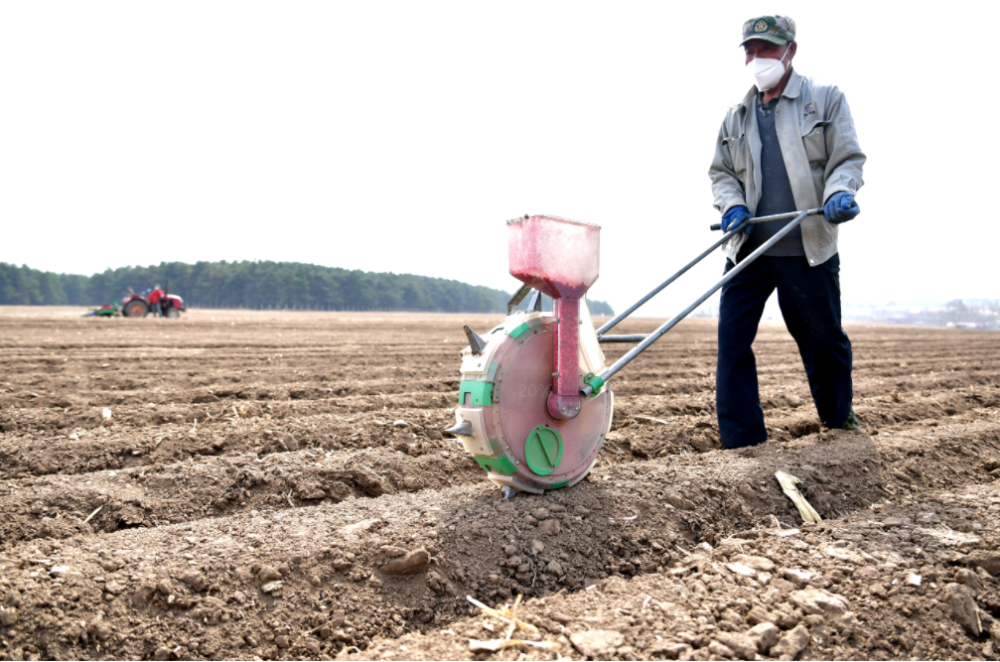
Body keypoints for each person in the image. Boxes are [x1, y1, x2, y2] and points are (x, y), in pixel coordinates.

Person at [708, 15, 866, 449]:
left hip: (806, 246)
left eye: (767, 50)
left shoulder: (825, 99)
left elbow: (847, 159)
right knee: (732, 344)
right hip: (749, 250)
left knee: (822, 341)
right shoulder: (736, 116)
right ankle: (742, 441)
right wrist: (733, 204)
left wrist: (839, 192)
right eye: (751, 50)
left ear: (790, 51)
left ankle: (839, 423)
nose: (758, 58)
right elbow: (721, 173)